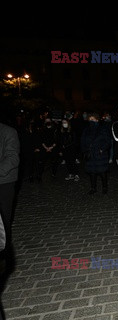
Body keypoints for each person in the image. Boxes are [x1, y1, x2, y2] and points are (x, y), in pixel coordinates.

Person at [0, 121, 20, 320]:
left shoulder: (8, 132)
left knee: (3, 224)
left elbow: (12, 158)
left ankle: (3, 256)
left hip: (3, 183)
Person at [81, 113, 111, 194]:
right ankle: (93, 188)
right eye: (90, 120)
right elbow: (82, 141)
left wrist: (102, 149)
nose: (91, 121)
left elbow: (108, 141)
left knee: (102, 172)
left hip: (100, 154)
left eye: (93, 119)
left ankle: (105, 187)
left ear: (97, 120)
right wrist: (85, 150)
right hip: (90, 154)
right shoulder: (86, 130)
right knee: (92, 172)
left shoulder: (102, 129)